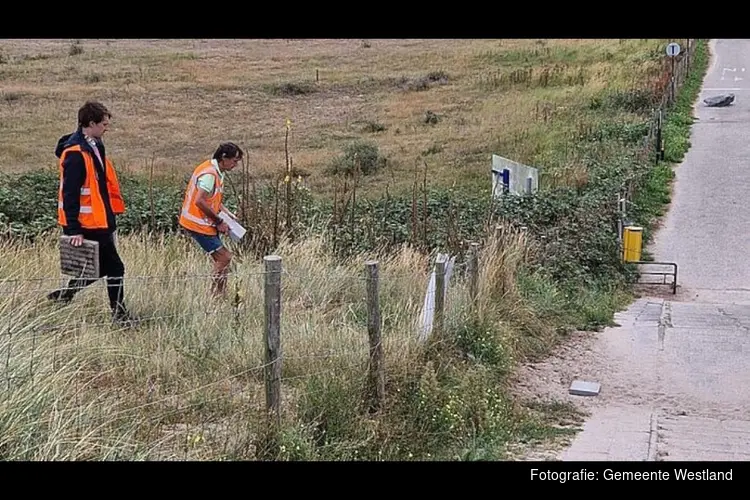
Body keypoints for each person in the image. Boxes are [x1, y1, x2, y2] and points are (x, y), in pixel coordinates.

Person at [47, 100, 137, 325]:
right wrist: (74, 230)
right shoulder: (76, 153)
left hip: (100, 220)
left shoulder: (94, 144)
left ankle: (65, 295)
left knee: (101, 268)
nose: (107, 128)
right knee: (115, 267)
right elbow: (69, 194)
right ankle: (119, 316)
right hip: (88, 223)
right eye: (104, 124)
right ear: (90, 123)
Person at [179, 142, 243, 297]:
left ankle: (219, 294)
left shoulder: (214, 170)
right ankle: (217, 296)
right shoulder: (210, 175)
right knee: (224, 257)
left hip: (202, 222)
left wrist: (226, 213)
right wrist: (219, 221)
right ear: (223, 157)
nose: (235, 165)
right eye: (234, 161)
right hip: (198, 224)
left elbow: (212, 199)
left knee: (222, 258)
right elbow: (200, 201)